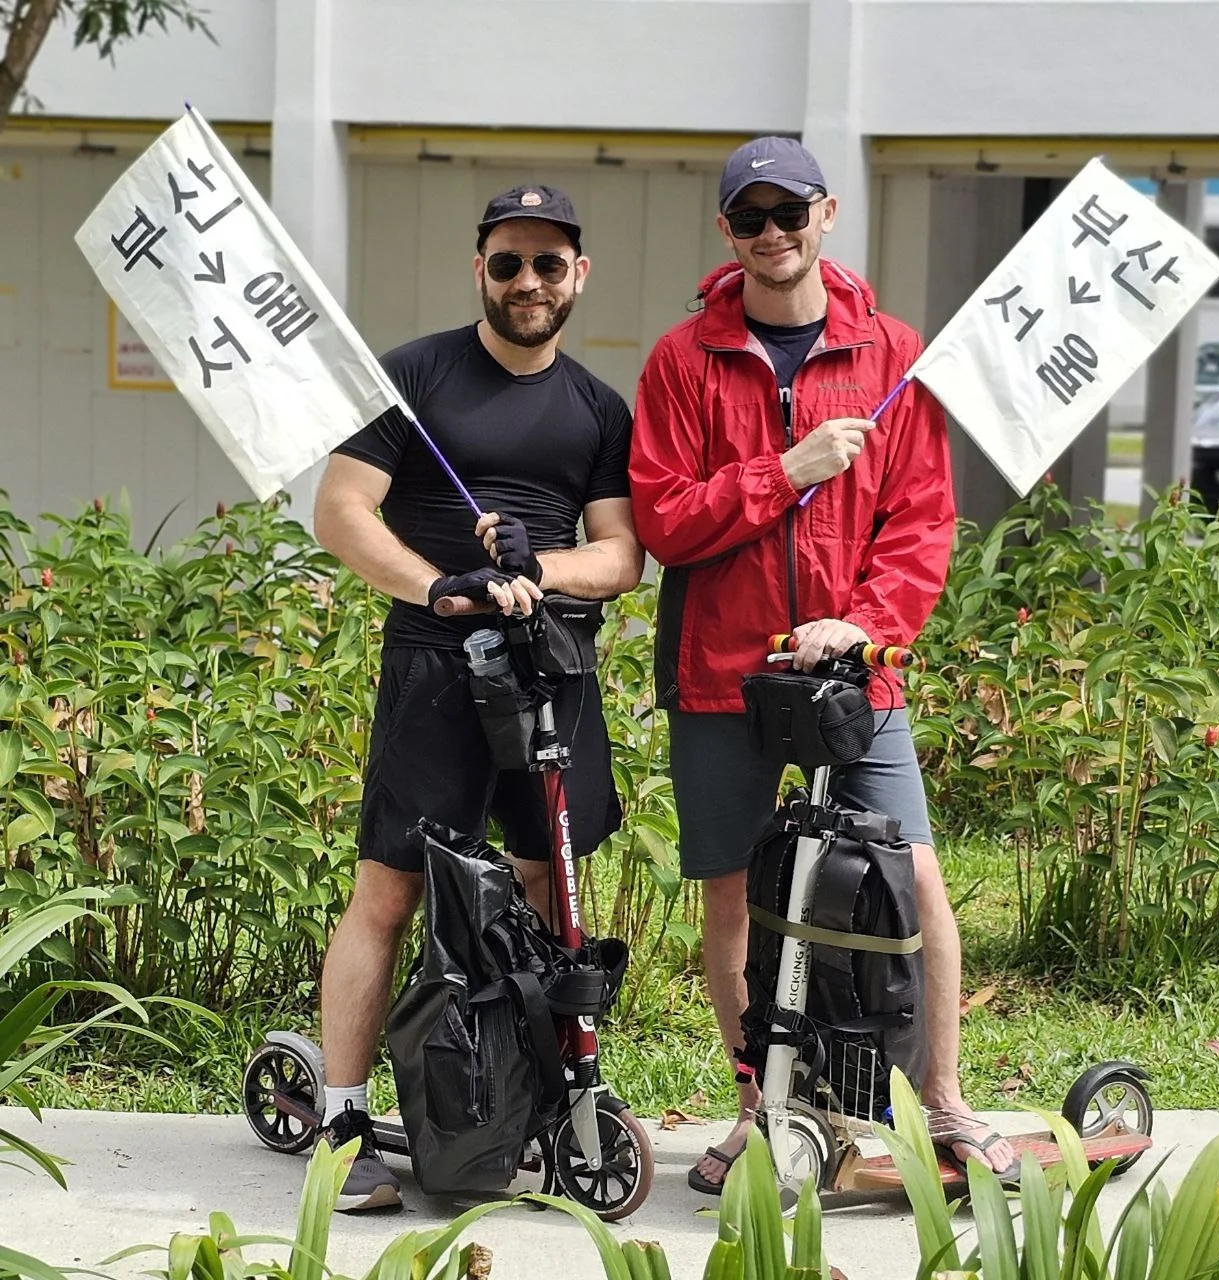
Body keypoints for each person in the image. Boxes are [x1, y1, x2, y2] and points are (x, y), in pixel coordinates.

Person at [628, 136, 1017, 1194]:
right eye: (749, 218)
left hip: (857, 673)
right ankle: (758, 1103)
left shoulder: (894, 352)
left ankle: (941, 1102)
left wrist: (864, 621)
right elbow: (664, 519)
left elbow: (922, 520)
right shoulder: (680, 360)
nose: (771, 234)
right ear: (726, 232)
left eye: (788, 213)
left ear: (826, 214)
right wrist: (781, 471)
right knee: (729, 898)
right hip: (722, 674)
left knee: (918, 878)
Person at [311, 184, 645, 1211]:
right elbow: (339, 510)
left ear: (578, 274)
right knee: (391, 888)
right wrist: (439, 585)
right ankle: (340, 1117)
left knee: (554, 892)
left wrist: (536, 566)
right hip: (434, 670)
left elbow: (622, 555)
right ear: (480, 270)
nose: (529, 281)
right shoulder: (411, 378)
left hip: (551, 677)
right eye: (508, 261)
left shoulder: (596, 407)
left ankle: (547, 1099)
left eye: (549, 263)